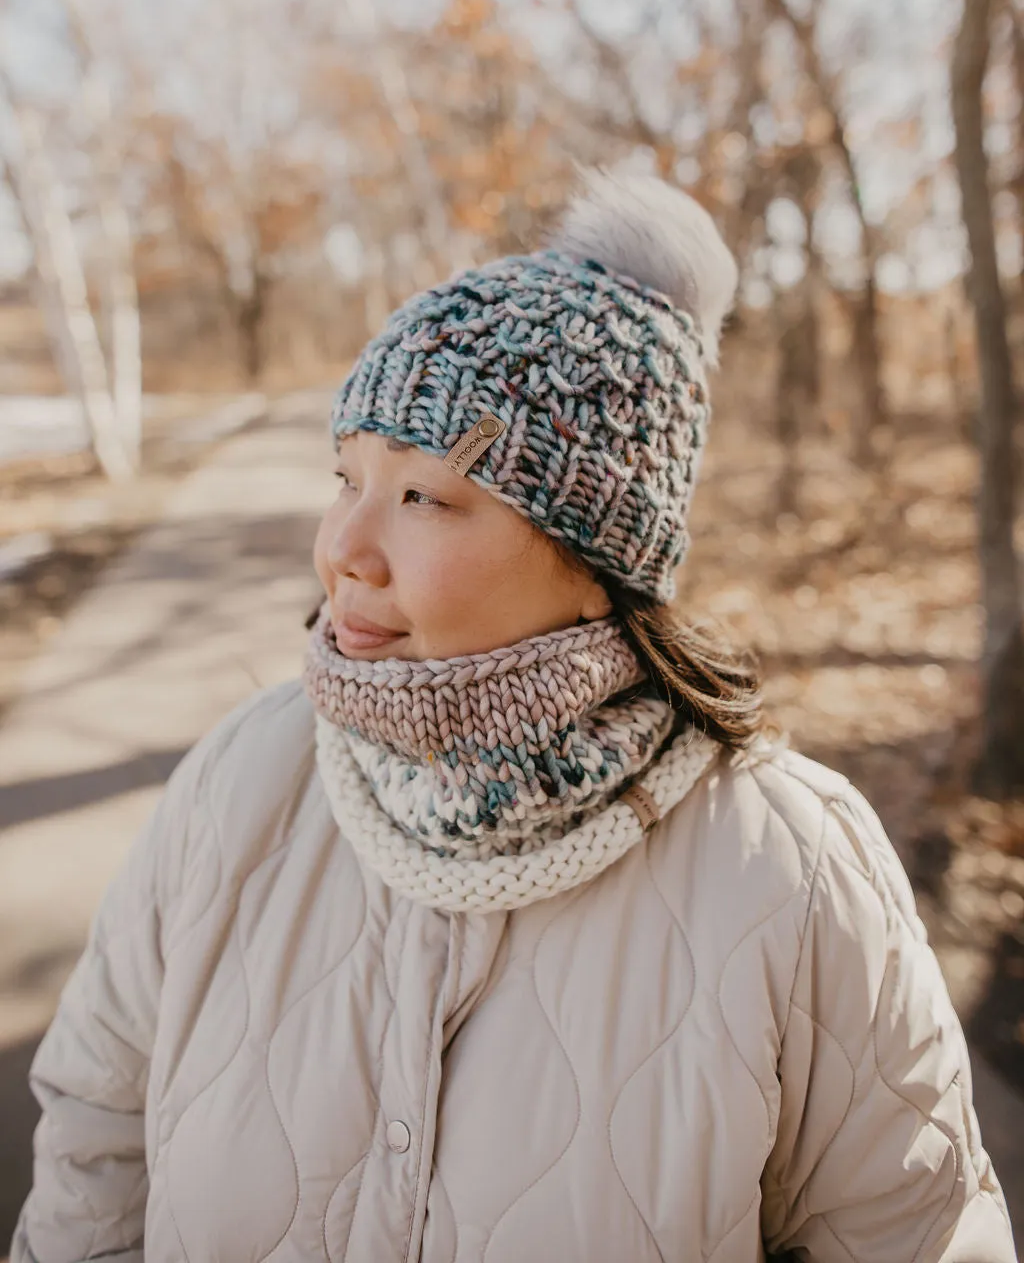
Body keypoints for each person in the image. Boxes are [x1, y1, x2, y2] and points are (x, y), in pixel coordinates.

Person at [13, 170, 1015, 1263]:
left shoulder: (793, 869)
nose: (344, 546)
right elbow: (94, 1144)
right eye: (345, 476)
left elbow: (918, 1235)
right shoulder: (236, 782)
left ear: (599, 564)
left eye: (424, 497)